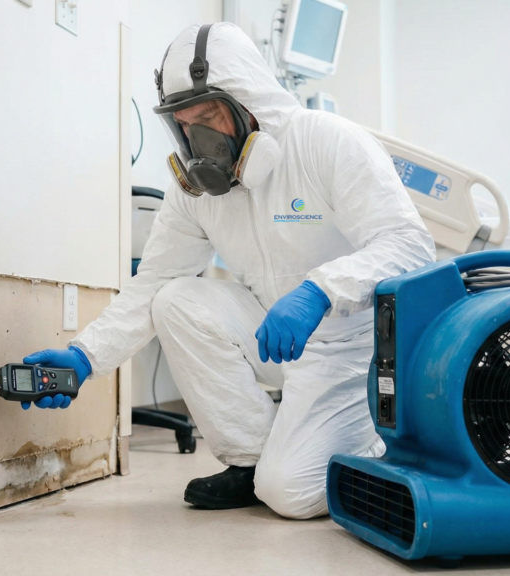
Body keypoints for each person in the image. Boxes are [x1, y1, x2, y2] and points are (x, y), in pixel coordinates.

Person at [23, 22, 435, 519]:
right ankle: (251, 459)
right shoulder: (195, 194)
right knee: (173, 299)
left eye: (209, 117)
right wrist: (84, 356)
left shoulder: (327, 143)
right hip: (276, 335)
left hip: (351, 352)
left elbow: (409, 245)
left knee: (291, 495)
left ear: (249, 104)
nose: (198, 140)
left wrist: (320, 291)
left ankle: (367, 440)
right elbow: (152, 281)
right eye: (184, 124)